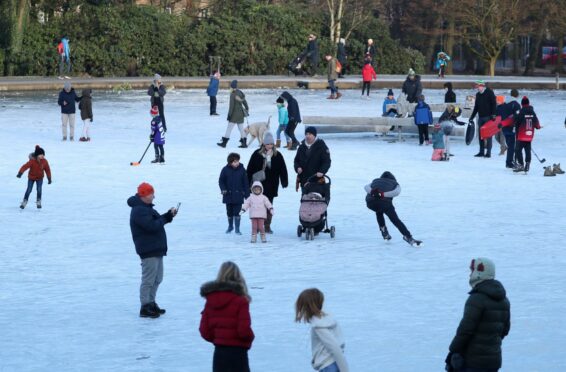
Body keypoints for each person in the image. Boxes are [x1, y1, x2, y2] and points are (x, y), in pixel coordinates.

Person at [445, 258, 510, 372]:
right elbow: (505, 330)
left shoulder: (477, 299)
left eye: (472, 270)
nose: (470, 274)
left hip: (473, 362)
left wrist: (453, 351)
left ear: (480, 272)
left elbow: (465, 330)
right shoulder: (504, 300)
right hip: (493, 361)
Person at [127, 182, 178, 318]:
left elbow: (156, 221)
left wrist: (168, 215)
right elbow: (151, 226)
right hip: (148, 249)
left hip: (156, 248)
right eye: (151, 194)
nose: (154, 196)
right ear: (144, 195)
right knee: (149, 279)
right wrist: (166, 218)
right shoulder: (139, 210)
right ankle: (145, 306)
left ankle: (151, 302)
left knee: (157, 278)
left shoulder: (146, 207)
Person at [200, 261, 254, 372]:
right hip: (238, 352)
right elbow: (244, 330)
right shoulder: (241, 301)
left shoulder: (210, 300)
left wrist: (218, 338)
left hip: (219, 352)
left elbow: (204, 330)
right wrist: (250, 338)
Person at [295, 288, 349, 372]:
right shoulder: (327, 319)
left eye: (301, 308)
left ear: (307, 308)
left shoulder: (319, 327)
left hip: (328, 366)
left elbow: (334, 348)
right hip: (334, 364)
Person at [364, 171, 421, 246]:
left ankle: (384, 231)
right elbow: (396, 192)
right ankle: (408, 237)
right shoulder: (395, 184)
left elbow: (366, 187)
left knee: (378, 210)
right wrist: (382, 195)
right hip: (384, 203)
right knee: (395, 220)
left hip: (370, 202)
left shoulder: (375, 181)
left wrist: (374, 193)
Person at [246, 132, 288, 234]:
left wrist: (284, 181)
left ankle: (267, 226)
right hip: (258, 184)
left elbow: (283, 169)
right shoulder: (256, 154)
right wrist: (247, 183)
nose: (269, 146)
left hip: (272, 184)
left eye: (271, 144)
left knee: (269, 205)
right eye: (267, 144)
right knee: (258, 205)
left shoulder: (277, 155)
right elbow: (250, 168)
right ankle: (258, 226)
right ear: (263, 144)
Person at [219, 152, 250, 235]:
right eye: (235, 162)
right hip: (228, 195)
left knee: (237, 212)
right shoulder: (225, 169)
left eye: (238, 161)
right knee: (229, 212)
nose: (237, 163)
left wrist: (247, 194)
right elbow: (221, 181)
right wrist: (223, 189)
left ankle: (237, 228)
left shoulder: (242, 170)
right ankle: (230, 226)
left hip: (238, 195)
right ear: (230, 162)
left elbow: (245, 183)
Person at [17, 145, 52, 209]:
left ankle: (39, 201)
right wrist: (20, 173)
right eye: (41, 154)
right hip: (31, 178)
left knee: (39, 190)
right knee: (29, 190)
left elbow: (47, 169)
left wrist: (49, 178)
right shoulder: (32, 161)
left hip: (40, 178)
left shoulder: (44, 161)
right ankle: (24, 201)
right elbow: (25, 166)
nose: (43, 156)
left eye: (43, 154)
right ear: (37, 155)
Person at [512, 96, 541, 173]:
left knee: (518, 150)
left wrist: (514, 124)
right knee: (527, 150)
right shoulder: (532, 112)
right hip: (529, 135)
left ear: (522, 104)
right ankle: (527, 163)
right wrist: (538, 127)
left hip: (521, 135)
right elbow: (537, 125)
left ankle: (521, 164)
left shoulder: (521, 112)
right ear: (528, 103)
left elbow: (516, 122)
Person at [217, 80, 249, 148]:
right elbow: (244, 102)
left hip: (234, 114)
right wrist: (247, 108)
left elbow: (231, 107)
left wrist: (229, 115)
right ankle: (244, 143)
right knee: (241, 129)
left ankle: (224, 143)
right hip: (241, 114)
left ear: (232, 87)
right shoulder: (240, 93)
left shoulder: (233, 94)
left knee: (229, 129)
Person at [469, 80, 497, 158]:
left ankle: (488, 152)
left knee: (488, 135)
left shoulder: (489, 92)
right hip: (481, 117)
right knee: (481, 135)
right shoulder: (478, 95)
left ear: (483, 86)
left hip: (488, 117)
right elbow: (476, 107)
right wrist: (472, 117)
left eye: (480, 86)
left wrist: (494, 114)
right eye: (477, 87)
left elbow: (494, 103)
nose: (478, 88)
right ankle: (481, 151)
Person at [502, 89, 521, 168]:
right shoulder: (516, 104)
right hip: (512, 128)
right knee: (512, 146)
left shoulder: (505, 103)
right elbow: (518, 117)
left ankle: (510, 161)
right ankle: (509, 162)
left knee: (510, 145)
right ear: (517, 95)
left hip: (504, 127)